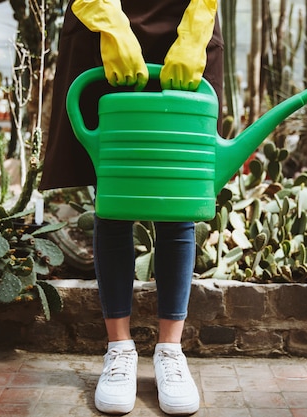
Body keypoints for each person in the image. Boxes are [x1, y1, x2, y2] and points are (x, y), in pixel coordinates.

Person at [40, 0, 223, 414]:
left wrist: (194, 31)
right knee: (116, 197)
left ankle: (170, 353)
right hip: (103, 20)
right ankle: (119, 351)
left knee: (179, 194)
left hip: (188, 16)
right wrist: (109, 23)